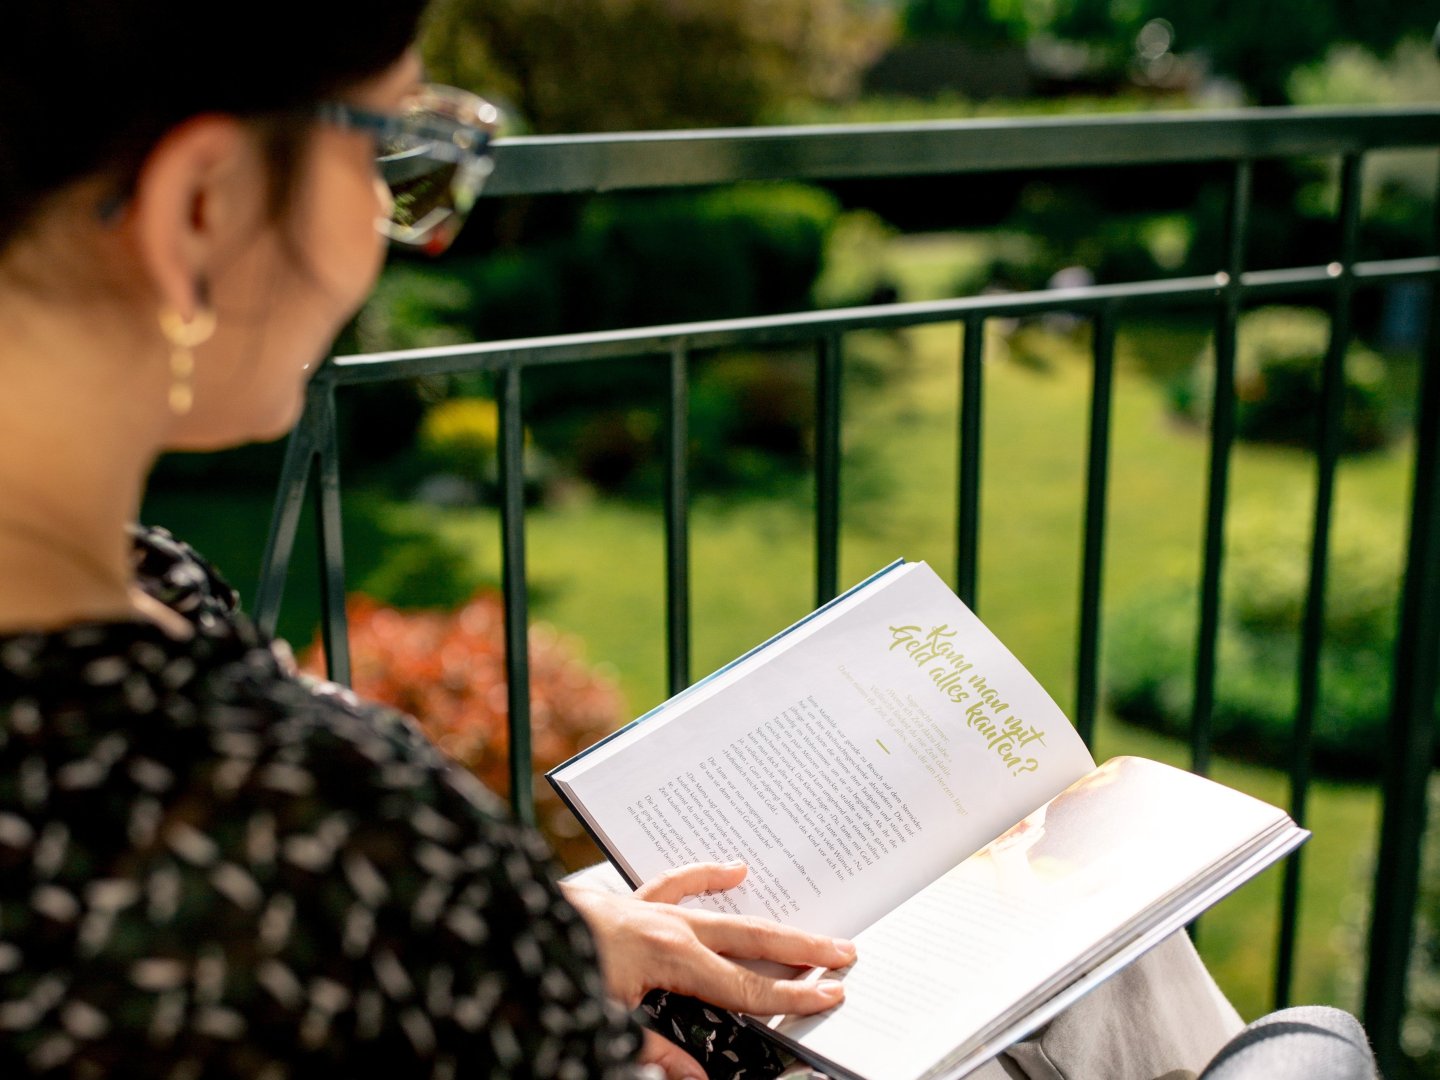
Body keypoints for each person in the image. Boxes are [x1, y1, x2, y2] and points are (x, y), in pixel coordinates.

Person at [0, 3, 1244, 1078]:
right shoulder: (327, 824)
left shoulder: (162, 596)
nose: (413, 220)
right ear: (204, 208)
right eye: (397, 154)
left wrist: (541, 938)